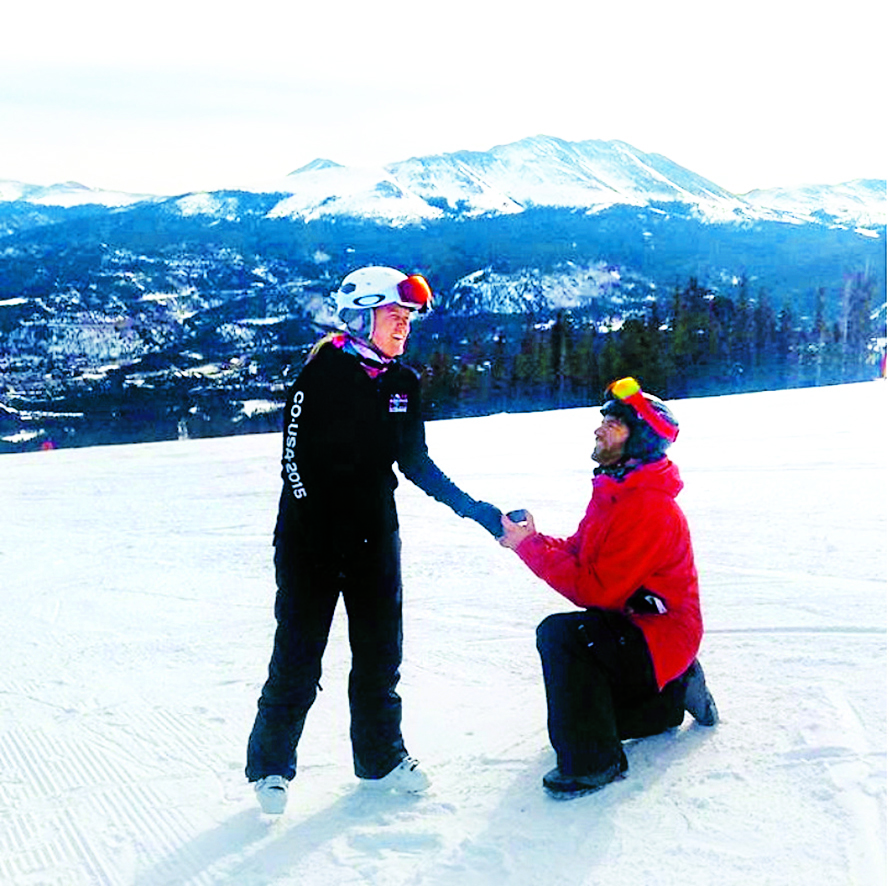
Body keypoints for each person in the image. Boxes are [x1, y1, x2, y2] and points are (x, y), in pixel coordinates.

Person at [246, 266, 503, 814]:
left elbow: (415, 461)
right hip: (310, 542)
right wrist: (322, 532)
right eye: (393, 315)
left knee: (380, 656)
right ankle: (270, 766)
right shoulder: (321, 373)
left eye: (407, 318)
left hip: (375, 539)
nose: (403, 326)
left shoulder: (402, 383)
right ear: (361, 318)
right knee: (298, 657)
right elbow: (293, 463)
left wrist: (475, 510)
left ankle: (381, 758)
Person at [499, 377, 717, 800]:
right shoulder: (616, 491)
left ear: (640, 441)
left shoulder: (649, 507)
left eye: (613, 425)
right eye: (604, 421)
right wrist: (531, 540)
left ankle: (594, 763)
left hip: (662, 633)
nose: (599, 429)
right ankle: (672, 695)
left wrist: (530, 549)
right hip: (632, 625)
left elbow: (596, 590)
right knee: (593, 713)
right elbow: (580, 551)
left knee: (563, 635)